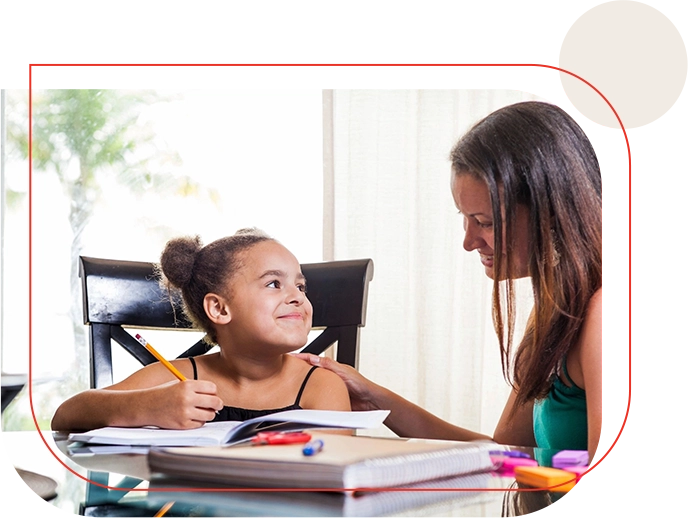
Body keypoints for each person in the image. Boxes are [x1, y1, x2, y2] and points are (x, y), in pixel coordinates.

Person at [295, 101, 602, 460]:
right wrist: (377, 398)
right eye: (465, 218)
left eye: (485, 222)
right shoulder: (555, 311)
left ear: (550, 213)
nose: (469, 242)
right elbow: (507, 452)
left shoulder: (606, 317)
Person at [52, 228, 350, 431]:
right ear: (219, 309)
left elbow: (333, 479)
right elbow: (66, 415)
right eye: (274, 283)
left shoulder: (321, 387)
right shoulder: (171, 379)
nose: (298, 296)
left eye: (300, 285)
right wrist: (147, 405)